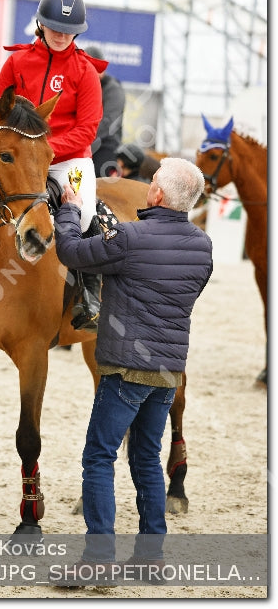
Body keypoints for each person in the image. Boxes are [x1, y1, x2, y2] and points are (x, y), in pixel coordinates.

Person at [53, 157, 213, 584]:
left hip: (126, 369)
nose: (149, 186)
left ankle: (98, 558)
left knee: (98, 457)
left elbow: (71, 253)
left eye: (153, 181)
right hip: (168, 372)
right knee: (145, 459)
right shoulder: (203, 245)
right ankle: (149, 557)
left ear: (157, 193)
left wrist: (70, 209)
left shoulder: (129, 237)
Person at [0, 0, 107, 330]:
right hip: (20, 156)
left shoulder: (85, 72)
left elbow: (87, 129)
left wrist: (46, 151)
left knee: (84, 212)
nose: (61, 35)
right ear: (41, 25)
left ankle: (89, 293)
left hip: (68, 160)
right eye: (55, 27)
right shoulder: (16, 62)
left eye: (69, 30)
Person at [84, 46, 126, 178]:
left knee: (98, 180)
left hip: (105, 144)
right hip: (83, 141)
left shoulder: (113, 90)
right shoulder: (81, 85)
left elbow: (107, 123)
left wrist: (82, 139)